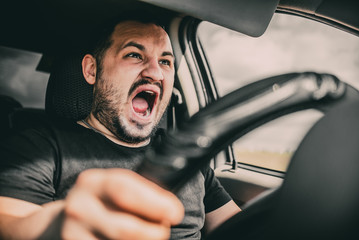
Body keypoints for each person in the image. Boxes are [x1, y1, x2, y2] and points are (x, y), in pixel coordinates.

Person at [0, 14, 241, 239]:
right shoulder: (36, 148)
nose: (156, 73)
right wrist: (56, 226)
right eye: (135, 55)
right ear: (91, 70)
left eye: (165, 61)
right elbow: (10, 222)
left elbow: (243, 228)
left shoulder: (185, 156)